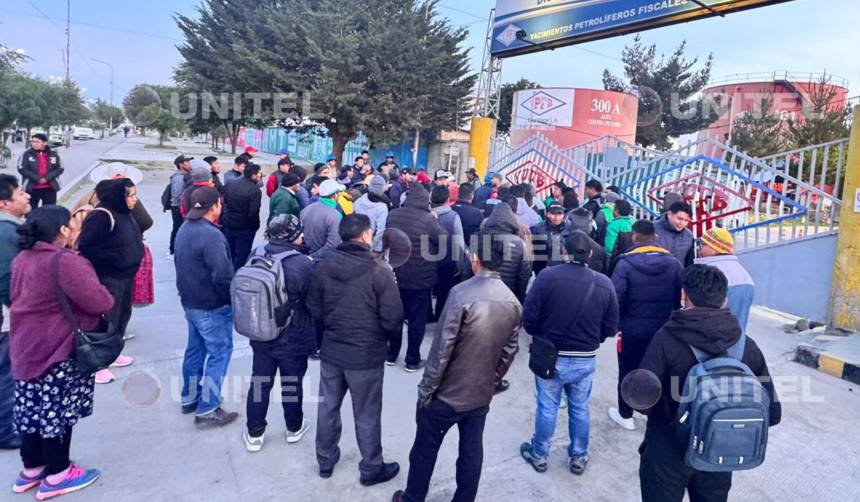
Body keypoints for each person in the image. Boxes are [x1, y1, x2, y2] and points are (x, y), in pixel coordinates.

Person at [392, 232, 522, 502]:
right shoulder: (513, 302)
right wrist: (491, 381)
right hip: (479, 395)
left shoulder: (461, 293)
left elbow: (441, 349)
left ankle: (412, 498)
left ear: (475, 259)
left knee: (424, 451)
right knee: (471, 452)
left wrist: (427, 389)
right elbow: (509, 352)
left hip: (446, 395)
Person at [637, 264, 781, 502]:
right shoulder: (746, 345)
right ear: (725, 299)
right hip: (719, 453)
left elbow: (643, 400)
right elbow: (773, 413)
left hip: (667, 451)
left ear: (684, 295)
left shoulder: (666, 339)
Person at [9, 206, 113, 499]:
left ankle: (31, 469)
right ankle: (58, 473)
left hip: (26, 346)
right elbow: (99, 302)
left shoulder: (22, 259)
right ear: (63, 230)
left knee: (32, 409)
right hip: (57, 347)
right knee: (57, 411)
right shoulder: (64, 261)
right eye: (72, 223)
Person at [307, 214, 404, 486]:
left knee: (328, 407)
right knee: (367, 413)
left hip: (332, 351)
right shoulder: (379, 270)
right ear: (364, 235)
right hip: (365, 355)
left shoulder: (324, 266)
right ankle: (371, 467)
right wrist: (384, 340)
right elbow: (393, 318)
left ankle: (325, 460)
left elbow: (314, 307)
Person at [520, 231, 619, 475]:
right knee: (580, 407)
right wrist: (593, 339)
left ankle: (539, 454)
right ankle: (578, 455)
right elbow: (610, 327)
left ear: (564, 251)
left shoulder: (547, 277)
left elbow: (529, 318)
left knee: (547, 405)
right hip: (585, 358)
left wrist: (540, 335)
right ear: (591, 254)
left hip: (550, 357)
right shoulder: (604, 283)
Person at [243, 215, 317, 451]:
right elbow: (314, 303)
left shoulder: (256, 253)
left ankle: (255, 433)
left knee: (260, 381)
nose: (303, 235)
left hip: (261, 331)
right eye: (299, 232)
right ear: (292, 236)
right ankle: (294, 427)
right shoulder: (302, 264)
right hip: (293, 335)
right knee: (291, 382)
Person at [608, 219, 682, 431]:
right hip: (664, 331)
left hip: (632, 330)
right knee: (660, 372)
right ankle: (655, 413)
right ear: (655, 237)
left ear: (634, 237)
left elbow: (615, 298)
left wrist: (615, 325)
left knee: (628, 371)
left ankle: (626, 414)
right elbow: (680, 296)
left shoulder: (625, 264)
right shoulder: (674, 263)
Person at [174, 187, 238, 426]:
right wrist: (230, 300)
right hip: (211, 306)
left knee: (196, 350)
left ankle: (189, 398)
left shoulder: (185, 229)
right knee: (219, 353)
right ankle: (208, 407)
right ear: (215, 207)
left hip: (191, 301)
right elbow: (222, 276)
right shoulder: (212, 236)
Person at [77, 179, 145, 385]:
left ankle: (112, 353)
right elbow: (88, 247)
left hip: (126, 276)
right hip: (108, 277)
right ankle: (98, 364)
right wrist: (115, 260)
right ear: (118, 196)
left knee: (122, 316)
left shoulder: (125, 213)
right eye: (131, 195)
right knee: (106, 319)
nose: (134, 199)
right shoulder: (100, 216)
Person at [385, 185, 441, 372]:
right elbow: (443, 239)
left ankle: (391, 354)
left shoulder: (393, 215)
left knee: (395, 317)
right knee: (417, 320)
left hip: (397, 275)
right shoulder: (428, 219)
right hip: (420, 279)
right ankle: (412, 360)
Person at [0, 175, 29, 451]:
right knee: (7, 371)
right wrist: (20, 309)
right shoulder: (7, 233)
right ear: (4, 203)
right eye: (20, 193)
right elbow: (8, 279)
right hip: (6, 316)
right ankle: (5, 430)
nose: (27, 196)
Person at [694, 228, 755, 332]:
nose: (699, 247)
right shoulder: (744, 274)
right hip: (737, 338)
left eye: (703, 244)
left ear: (716, 248)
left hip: (712, 338)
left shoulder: (709, 273)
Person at [477, 202, 531, 303]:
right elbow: (524, 274)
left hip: (483, 293)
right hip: (509, 295)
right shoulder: (519, 243)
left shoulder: (481, 238)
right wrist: (519, 298)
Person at [430, 185, 464, 320]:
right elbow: (459, 243)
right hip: (447, 262)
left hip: (427, 262)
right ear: (447, 199)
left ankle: (427, 315)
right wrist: (459, 264)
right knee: (443, 294)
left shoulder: (426, 215)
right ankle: (440, 317)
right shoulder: (453, 216)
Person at [222, 163, 263, 270]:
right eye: (259, 173)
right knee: (242, 255)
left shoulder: (231, 184)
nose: (260, 175)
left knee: (230, 253)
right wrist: (255, 226)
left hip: (229, 224)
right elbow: (253, 212)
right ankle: (238, 276)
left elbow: (224, 202)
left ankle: (228, 274)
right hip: (245, 228)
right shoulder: (254, 190)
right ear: (253, 175)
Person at [300, 179, 345, 261]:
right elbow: (333, 244)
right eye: (339, 193)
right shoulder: (335, 215)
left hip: (304, 256)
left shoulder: (306, 210)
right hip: (323, 261)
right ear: (335, 195)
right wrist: (312, 257)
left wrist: (308, 257)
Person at [16, 133, 64, 209]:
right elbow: (21, 168)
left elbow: (60, 168)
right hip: (31, 188)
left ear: (45, 143)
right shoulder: (26, 154)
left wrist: (46, 178)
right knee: (31, 211)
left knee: (49, 211)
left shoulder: (53, 154)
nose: (34, 144)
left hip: (50, 187)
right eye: (32, 141)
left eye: (37, 142)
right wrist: (37, 179)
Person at [353, 175, 390, 254]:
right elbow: (381, 230)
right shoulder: (382, 207)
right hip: (373, 245)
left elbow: (353, 219)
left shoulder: (359, 200)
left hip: (357, 240)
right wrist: (372, 246)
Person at [167, 154, 192, 258]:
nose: (190, 164)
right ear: (181, 164)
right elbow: (177, 195)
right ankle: (172, 250)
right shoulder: (179, 178)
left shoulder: (186, 175)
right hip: (177, 207)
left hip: (181, 206)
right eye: (187, 162)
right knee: (177, 228)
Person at [531, 203, 566, 277]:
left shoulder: (568, 228)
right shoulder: (539, 228)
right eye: (553, 213)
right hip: (543, 269)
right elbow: (535, 251)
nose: (556, 217)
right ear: (548, 214)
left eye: (559, 213)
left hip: (563, 270)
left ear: (563, 215)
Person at [655, 201, 695, 267]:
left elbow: (689, 263)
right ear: (669, 214)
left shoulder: (688, 236)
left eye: (686, 220)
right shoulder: (652, 229)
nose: (682, 223)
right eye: (680, 219)